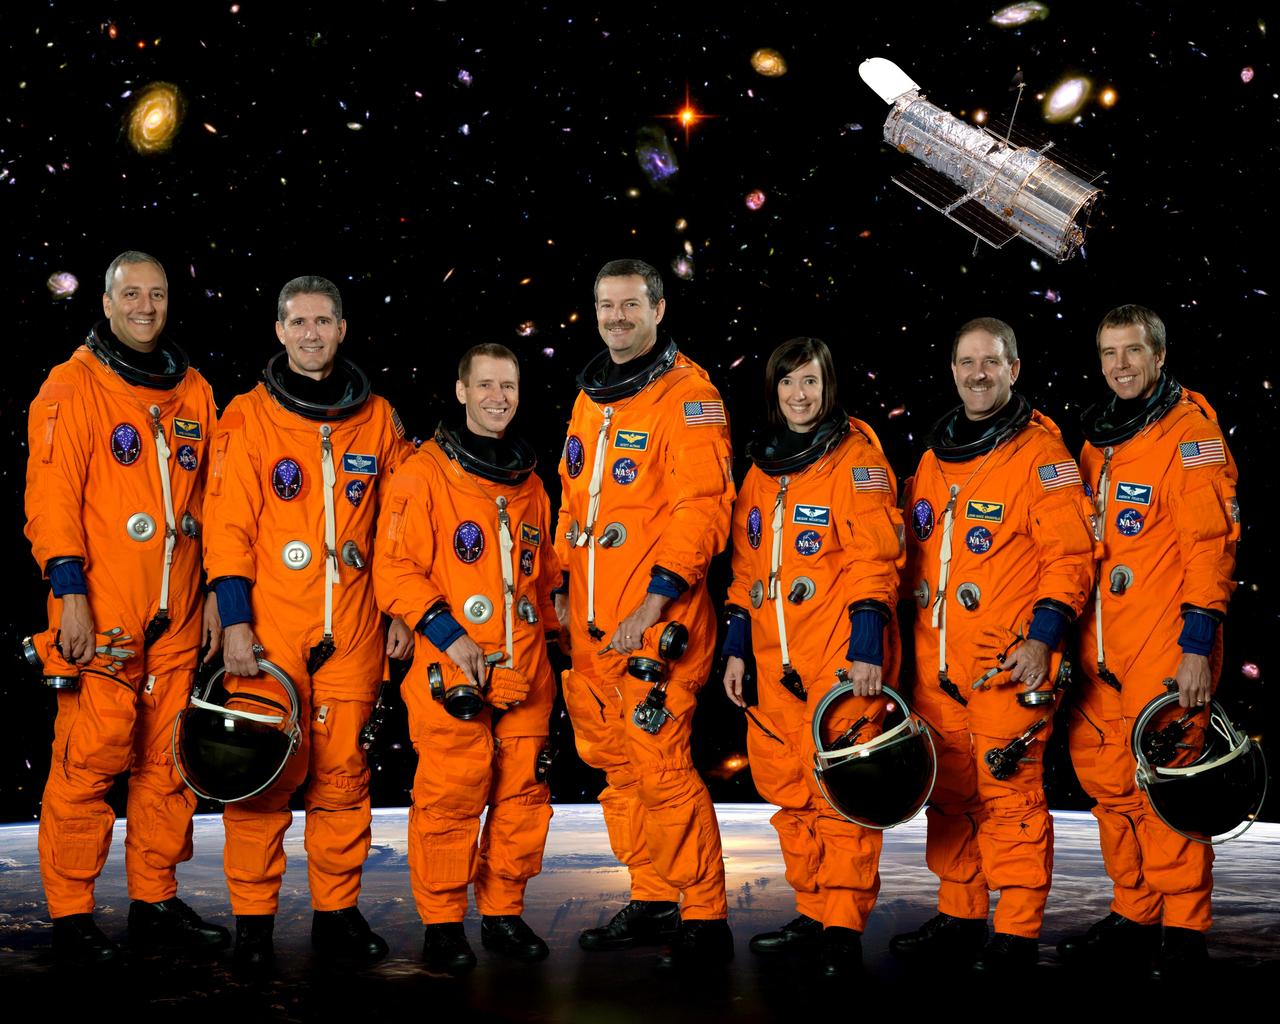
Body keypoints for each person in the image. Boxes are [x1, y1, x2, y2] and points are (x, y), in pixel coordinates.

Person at [203, 275, 413, 970]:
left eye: (323, 321)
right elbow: (228, 528)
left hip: (353, 627)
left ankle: (336, 914)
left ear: (342, 329)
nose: (311, 333)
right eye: (298, 322)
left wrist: (401, 610)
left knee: (344, 778)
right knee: (260, 778)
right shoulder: (248, 417)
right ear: (279, 331)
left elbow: (402, 525)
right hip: (271, 630)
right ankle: (253, 924)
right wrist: (235, 621)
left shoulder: (378, 420)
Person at [24, 250, 228, 964]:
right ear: (107, 304)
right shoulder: (72, 385)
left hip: (178, 612)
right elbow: (51, 500)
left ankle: (154, 900)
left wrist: (214, 591)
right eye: (131, 294)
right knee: (90, 760)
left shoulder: (193, 391)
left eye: (157, 294)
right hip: (102, 608)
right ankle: (72, 912)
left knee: (167, 765)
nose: (146, 306)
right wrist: (69, 593)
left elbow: (214, 501)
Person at [892, 317, 1095, 972]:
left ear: (1014, 370)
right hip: (937, 663)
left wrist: (1043, 640)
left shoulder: (1043, 457)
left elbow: (1070, 556)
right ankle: (960, 915)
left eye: (990, 362)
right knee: (951, 794)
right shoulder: (934, 458)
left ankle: (1016, 932)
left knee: (1010, 796)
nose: (977, 374)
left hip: (1007, 661)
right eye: (966, 362)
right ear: (953, 371)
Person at [554, 258, 735, 966]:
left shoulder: (691, 397)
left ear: (659, 310)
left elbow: (703, 509)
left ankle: (706, 914)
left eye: (631, 305)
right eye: (607, 305)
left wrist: (654, 600)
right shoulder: (591, 398)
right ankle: (654, 897)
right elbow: (575, 498)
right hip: (593, 624)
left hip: (656, 625)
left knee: (660, 768)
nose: (617, 318)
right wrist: (563, 583)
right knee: (620, 769)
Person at [1059, 305, 1239, 977]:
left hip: (1165, 644)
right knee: (1110, 786)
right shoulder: (1096, 442)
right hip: (1100, 646)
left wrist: (1197, 646)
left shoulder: (1191, 437)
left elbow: (1210, 548)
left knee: (1165, 786)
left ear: (1160, 356)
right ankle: (1135, 913)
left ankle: (1184, 930)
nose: (1120, 365)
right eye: (1109, 353)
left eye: (1133, 351)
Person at [373, 344, 560, 974]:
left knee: (522, 797)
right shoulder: (423, 473)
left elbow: (543, 578)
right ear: (461, 391)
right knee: (451, 797)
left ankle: (503, 912)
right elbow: (395, 570)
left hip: (525, 667)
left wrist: (563, 643)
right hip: (454, 665)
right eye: (485, 385)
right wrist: (450, 636)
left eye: (508, 386)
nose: (497, 398)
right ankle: (443, 922)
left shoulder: (530, 484)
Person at [721, 338, 904, 977]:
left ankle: (843, 925)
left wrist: (867, 644)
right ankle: (812, 908)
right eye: (788, 382)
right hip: (774, 660)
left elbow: (875, 559)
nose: (799, 395)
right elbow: (746, 572)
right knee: (790, 792)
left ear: (829, 388)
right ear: (773, 391)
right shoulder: (761, 471)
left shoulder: (856, 461)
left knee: (838, 793)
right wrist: (737, 649)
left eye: (811, 382)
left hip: (837, 656)